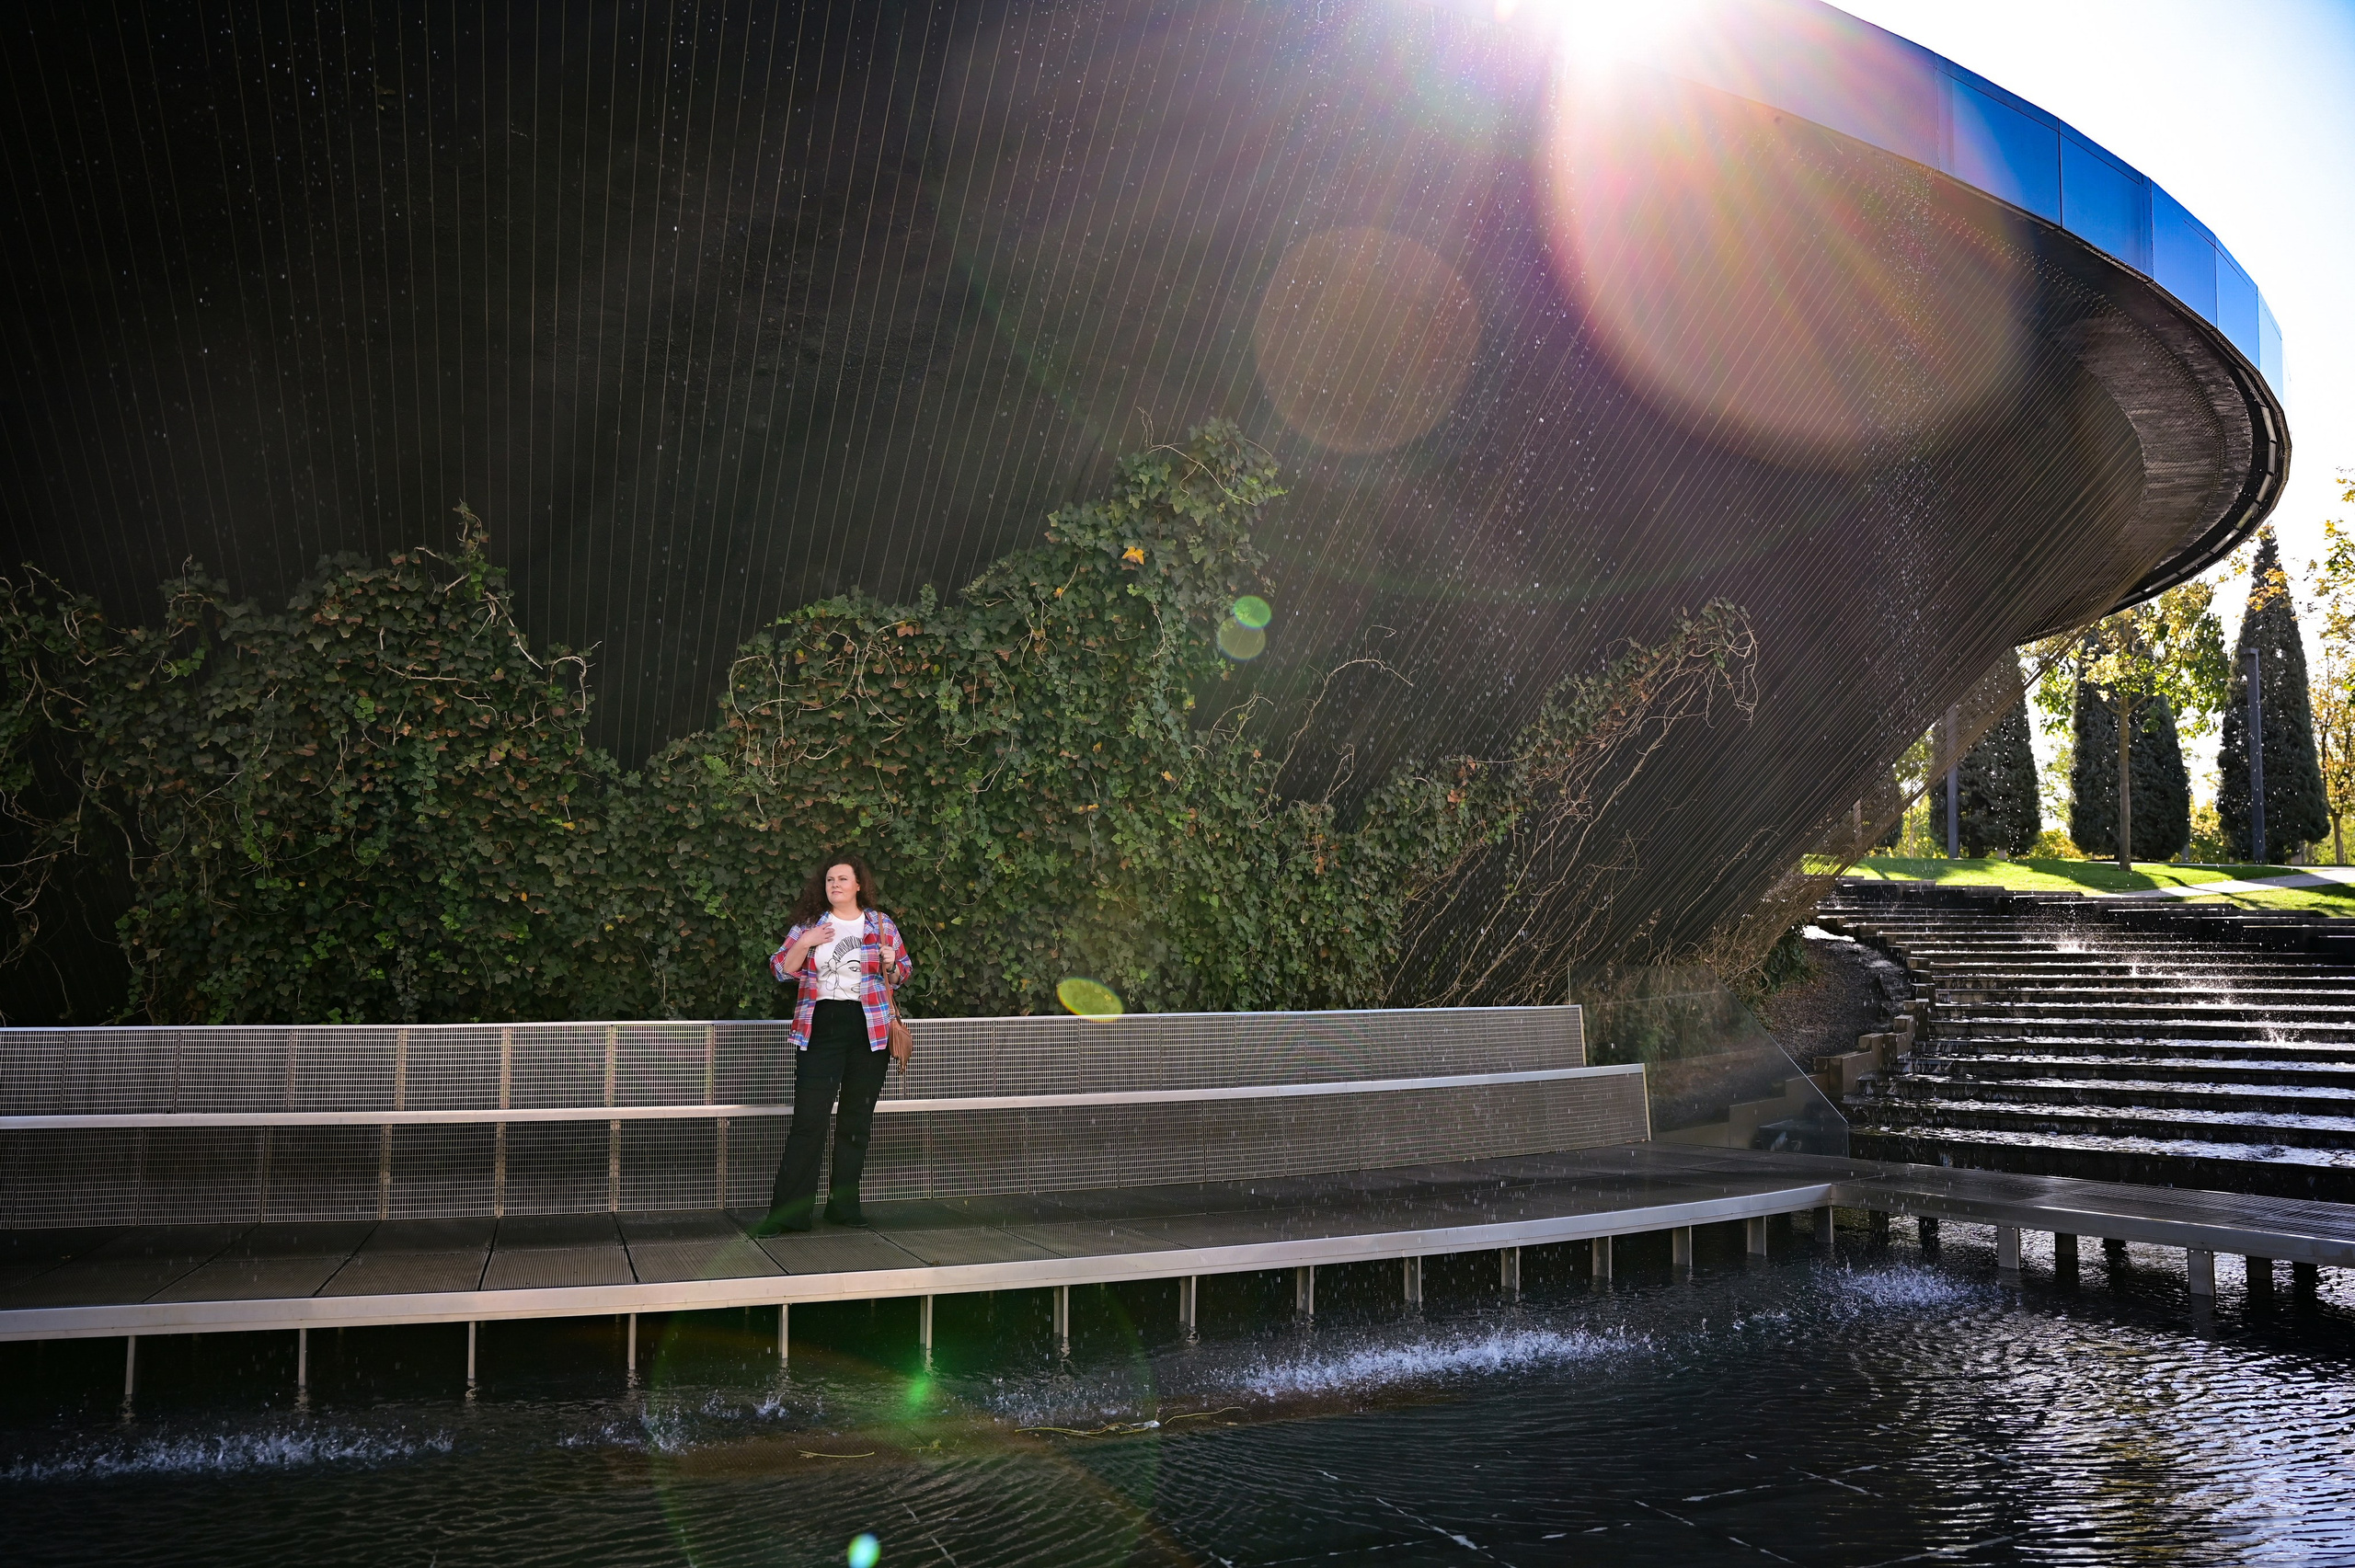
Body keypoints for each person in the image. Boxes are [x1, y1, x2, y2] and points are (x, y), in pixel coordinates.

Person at [755, 853, 913, 1236]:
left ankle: (843, 1207)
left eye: (843, 879)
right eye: (830, 880)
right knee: (809, 1121)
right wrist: (806, 942)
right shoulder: (811, 925)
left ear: (859, 884)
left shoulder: (879, 923)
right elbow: (781, 969)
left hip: (869, 1029)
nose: (836, 885)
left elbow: (902, 972)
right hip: (821, 1025)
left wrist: (892, 962)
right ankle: (789, 1215)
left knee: (856, 1122)